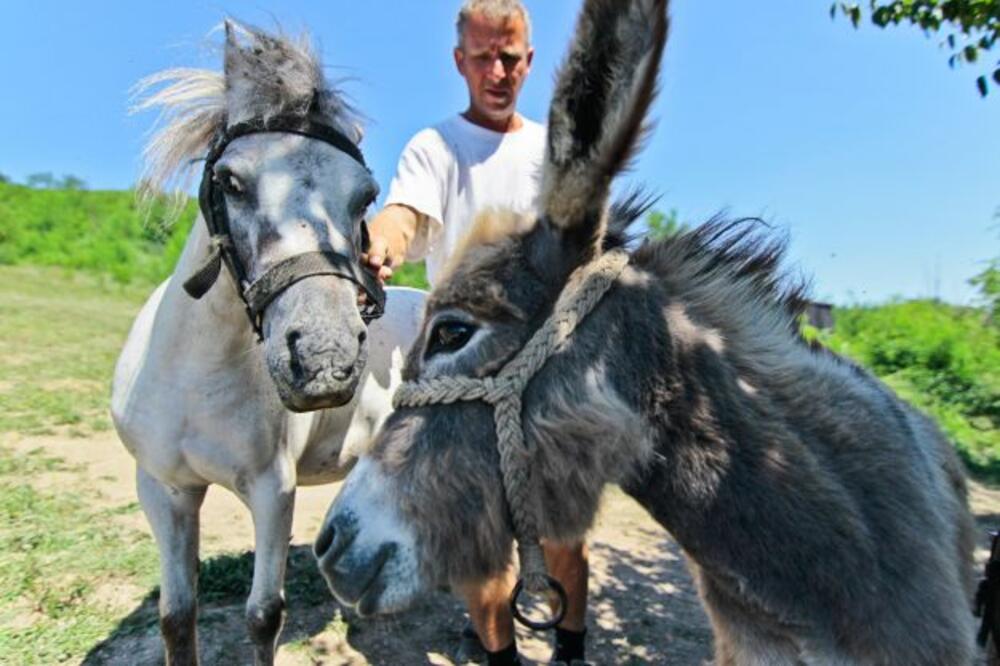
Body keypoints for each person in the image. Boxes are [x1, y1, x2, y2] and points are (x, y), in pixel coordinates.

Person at [363, 2, 590, 664]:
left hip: (547, 374)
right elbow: (405, 214)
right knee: (479, 546)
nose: (499, 71)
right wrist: (383, 236)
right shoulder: (435, 148)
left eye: (511, 57)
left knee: (565, 542)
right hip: (464, 386)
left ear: (530, 59)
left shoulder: (553, 153)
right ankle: (498, 655)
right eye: (484, 57)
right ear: (459, 61)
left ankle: (571, 652)